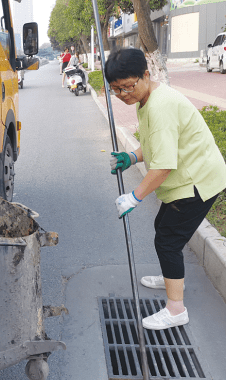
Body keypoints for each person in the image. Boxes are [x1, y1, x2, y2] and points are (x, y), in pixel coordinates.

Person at [105, 48, 226, 330]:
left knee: (168, 240)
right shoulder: (145, 97)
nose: (123, 94)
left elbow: (163, 166)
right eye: (116, 90)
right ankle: (172, 276)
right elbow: (155, 145)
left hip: (197, 181)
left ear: (146, 75)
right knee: (164, 227)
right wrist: (132, 156)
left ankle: (176, 309)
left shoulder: (160, 106)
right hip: (190, 175)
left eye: (127, 87)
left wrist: (133, 197)